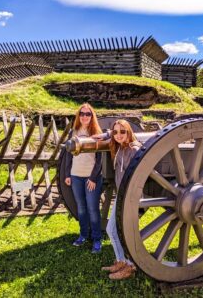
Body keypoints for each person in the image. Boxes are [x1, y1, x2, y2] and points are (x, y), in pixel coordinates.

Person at [101, 119, 141, 280]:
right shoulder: (119, 148)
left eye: (122, 132)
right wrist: (101, 135)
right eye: (115, 132)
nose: (118, 135)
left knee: (126, 232)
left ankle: (130, 266)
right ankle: (121, 260)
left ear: (129, 132)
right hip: (121, 195)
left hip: (130, 197)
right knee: (112, 230)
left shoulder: (134, 150)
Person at [65, 103, 103, 253]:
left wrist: (93, 178)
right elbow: (69, 155)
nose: (85, 116)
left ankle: (97, 239)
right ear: (78, 116)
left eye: (88, 114)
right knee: (81, 209)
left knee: (93, 209)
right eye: (82, 113)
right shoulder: (74, 132)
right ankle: (83, 235)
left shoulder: (97, 132)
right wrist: (68, 174)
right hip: (76, 176)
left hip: (90, 177)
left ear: (92, 116)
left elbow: (99, 159)